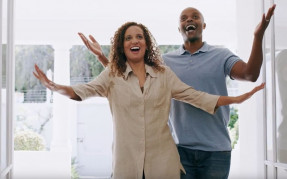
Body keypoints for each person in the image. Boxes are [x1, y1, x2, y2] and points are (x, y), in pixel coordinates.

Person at [34, 22, 264, 179]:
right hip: (126, 165)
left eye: (139, 36)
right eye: (128, 38)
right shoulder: (112, 76)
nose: (134, 41)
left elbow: (195, 95)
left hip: (164, 164)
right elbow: (81, 91)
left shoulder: (163, 74)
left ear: (146, 43)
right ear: (121, 45)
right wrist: (55, 87)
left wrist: (236, 98)